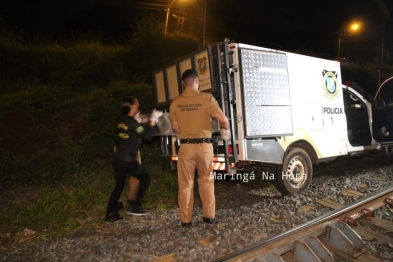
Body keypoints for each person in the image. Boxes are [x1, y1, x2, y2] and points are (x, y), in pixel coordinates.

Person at [169, 69, 231, 227]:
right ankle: (209, 216)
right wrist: (225, 131)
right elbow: (223, 119)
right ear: (197, 81)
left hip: (186, 147)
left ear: (184, 84)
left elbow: (175, 128)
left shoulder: (175, 102)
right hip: (204, 147)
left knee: (185, 184)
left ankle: (186, 220)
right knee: (206, 180)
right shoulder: (207, 98)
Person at [105, 96, 162, 222]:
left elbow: (132, 131)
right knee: (145, 178)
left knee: (119, 186)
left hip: (118, 158)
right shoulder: (131, 122)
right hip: (127, 160)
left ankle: (110, 214)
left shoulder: (121, 120)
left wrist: (137, 122)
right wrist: (152, 120)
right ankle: (135, 207)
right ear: (131, 107)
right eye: (136, 104)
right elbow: (147, 136)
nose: (138, 105)